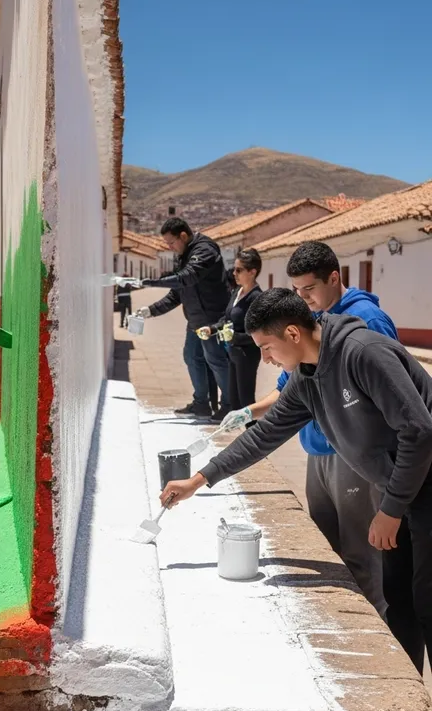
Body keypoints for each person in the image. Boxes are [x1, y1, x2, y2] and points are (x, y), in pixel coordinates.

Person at [161, 288, 432, 674]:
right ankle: (414, 699)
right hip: (402, 488)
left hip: (424, 482)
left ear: (292, 334)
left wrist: (390, 509)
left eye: (267, 347)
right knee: (400, 597)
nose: (266, 359)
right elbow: (263, 435)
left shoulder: (363, 353)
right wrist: (199, 480)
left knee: (427, 600)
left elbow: (420, 431)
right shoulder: (306, 377)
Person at [221, 242, 397, 617]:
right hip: (318, 446)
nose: (303, 299)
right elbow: (290, 392)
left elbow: (395, 403)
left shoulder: (366, 321)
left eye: (309, 290)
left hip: (353, 456)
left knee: (360, 553)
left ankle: (376, 624)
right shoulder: (308, 328)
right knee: (326, 543)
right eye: (296, 291)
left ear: (334, 278)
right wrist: (248, 411)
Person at [137, 217, 231, 423]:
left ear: (183, 235)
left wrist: (151, 282)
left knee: (216, 361)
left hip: (213, 319)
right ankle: (201, 405)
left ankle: (229, 406)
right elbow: (177, 293)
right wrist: (150, 311)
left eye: (171, 242)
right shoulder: (184, 255)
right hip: (196, 320)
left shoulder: (205, 250)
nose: (170, 247)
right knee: (192, 357)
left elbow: (187, 278)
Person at [197, 249, 263, 410]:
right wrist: (212, 329)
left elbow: (259, 332)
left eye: (239, 270)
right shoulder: (237, 292)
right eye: (234, 269)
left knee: (246, 402)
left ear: (252, 272)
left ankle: (254, 433)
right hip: (233, 352)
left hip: (247, 354)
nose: (234, 273)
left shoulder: (256, 298)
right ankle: (245, 434)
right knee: (234, 401)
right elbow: (227, 319)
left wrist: (235, 337)